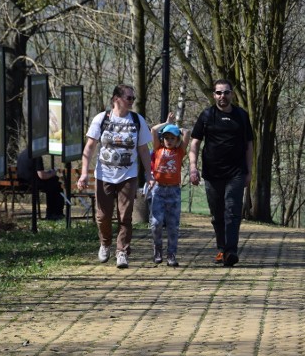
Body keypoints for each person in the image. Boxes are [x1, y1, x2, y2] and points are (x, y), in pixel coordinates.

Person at [77, 85, 153, 269]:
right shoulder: (101, 119)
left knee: (125, 215)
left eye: (133, 98)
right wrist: (84, 173)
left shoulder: (137, 120)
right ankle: (105, 244)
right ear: (116, 99)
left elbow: (143, 150)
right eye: (129, 98)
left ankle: (122, 252)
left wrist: (149, 174)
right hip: (104, 175)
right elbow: (89, 148)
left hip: (128, 175)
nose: (132, 101)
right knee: (103, 216)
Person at [189, 79, 254, 267]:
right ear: (214, 95)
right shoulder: (207, 115)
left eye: (226, 93)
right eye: (218, 93)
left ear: (232, 94)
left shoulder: (241, 116)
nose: (222, 96)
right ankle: (221, 249)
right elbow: (195, 142)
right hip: (212, 174)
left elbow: (249, 145)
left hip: (236, 173)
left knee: (232, 211)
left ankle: (231, 251)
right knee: (217, 215)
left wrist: (249, 171)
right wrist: (193, 167)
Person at [150, 112, 190, 267]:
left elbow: (187, 133)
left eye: (172, 138)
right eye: (166, 137)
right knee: (156, 223)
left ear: (177, 140)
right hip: (159, 190)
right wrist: (167, 123)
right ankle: (157, 249)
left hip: (173, 191)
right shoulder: (158, 148)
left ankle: (171, 254)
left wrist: (176, 129)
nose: (169, 141)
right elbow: (153, 130)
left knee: (173, 225)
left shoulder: (180, 151)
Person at [16, 148, 65, 220]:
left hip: (22, 183)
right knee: (55, 184)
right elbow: (42, 176)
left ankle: (52, 213)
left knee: (53, 183)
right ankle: (55, 213)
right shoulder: (36, 155)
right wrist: (53, 173)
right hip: (32, 184)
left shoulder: (22, 154)